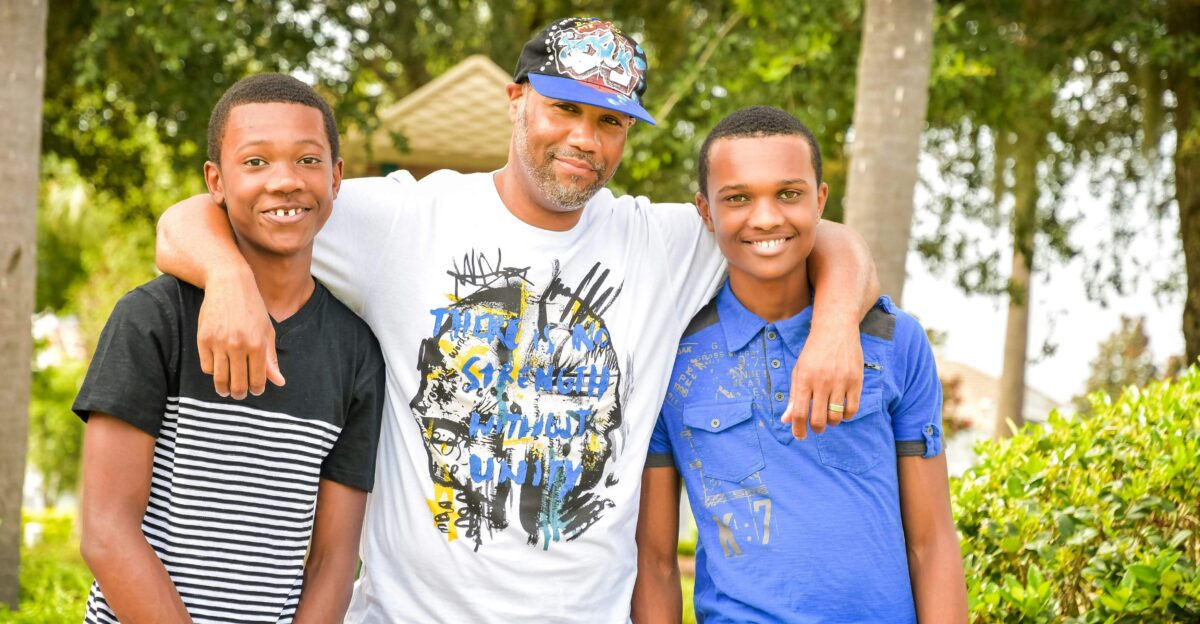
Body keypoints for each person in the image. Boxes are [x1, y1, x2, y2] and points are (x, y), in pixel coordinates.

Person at [156, 18, 880, 622]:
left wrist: (835, 325)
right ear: (516, 100)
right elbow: (191, 218)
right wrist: (227, 276)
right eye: (565, 109)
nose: (585, 139)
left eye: (609, 122)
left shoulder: (660, 241)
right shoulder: (407, 218)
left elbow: (826, 237)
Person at [631, 106, 967, 623]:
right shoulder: (669, 356)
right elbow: (654, 561)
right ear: (705, 211)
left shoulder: (894, 340)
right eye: (737, 198)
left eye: (788, 193)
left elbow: (933, 541)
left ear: (820, 200)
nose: (766, 217)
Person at [76, 74, 386, 623]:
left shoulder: (356, 352)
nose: (285, 181)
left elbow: (333, 562)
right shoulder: (154, 318)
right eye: (256, 162)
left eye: (308, 160)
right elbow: (106, 531)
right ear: (215, 181)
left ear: (336, 177)